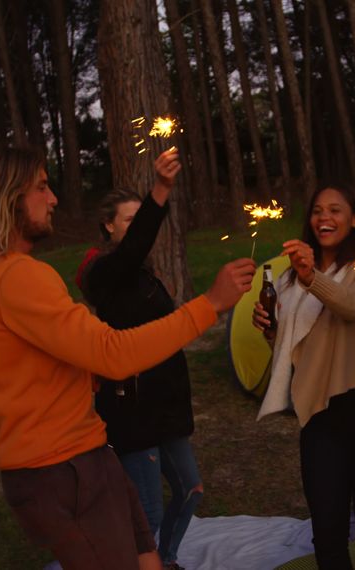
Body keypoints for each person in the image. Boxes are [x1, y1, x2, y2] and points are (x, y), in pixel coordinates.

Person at [0, 145, 255, 570]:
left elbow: (29, 365)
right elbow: (113, 353)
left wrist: (82, 373)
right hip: (61, 470)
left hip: (83, 455)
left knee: (149, 560)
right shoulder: (18, 276)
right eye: (42, 187)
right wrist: (210, 304)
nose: (53, 199)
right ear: (7, 197)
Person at [253, 184, 355, 570]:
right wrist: (272, 331)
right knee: (327, 534)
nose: (325, 218)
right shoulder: (289, 280)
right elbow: (302, 345)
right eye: (318, 211)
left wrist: (311, 276)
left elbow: (353, 308)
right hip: (320, 414)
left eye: (336, 210)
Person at [74, 148, 199, 570]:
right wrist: (160, 190)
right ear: (108, 226)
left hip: (164, 405)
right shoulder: (103, 272)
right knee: (145, 512)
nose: (137, 226)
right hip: (131, 408)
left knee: (190, 489)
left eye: (138, 218)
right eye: (129, 219)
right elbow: (130, 252)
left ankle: (165, 560)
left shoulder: (142, 272)